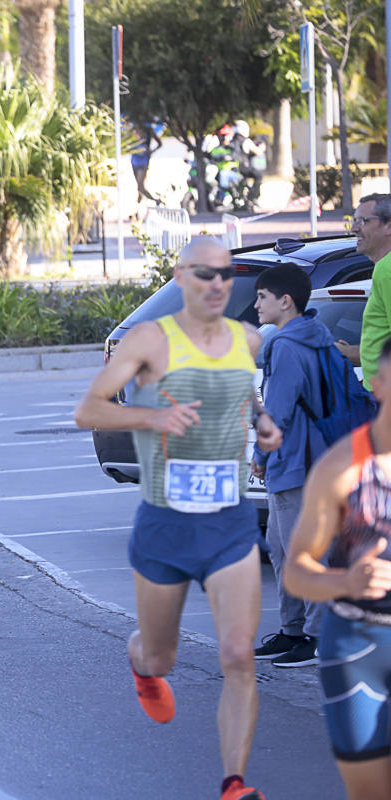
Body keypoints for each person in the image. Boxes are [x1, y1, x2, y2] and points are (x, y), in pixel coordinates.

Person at [73, 237, 282, 800]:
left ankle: (234, 783)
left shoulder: (248, 339)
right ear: (180, 276)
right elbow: (89, 409)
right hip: (166, 527)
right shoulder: (149, 339)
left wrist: (262, 426)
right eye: (204, 274)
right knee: (162, 653)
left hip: (229, 524)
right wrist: (156, 416)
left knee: (239, 655)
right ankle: (141, 662)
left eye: (226, 276)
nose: (217, 285)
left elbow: (249, 402)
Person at [284, 338, 391, 800]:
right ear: (379, 384)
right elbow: (296, 571)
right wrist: (346, 581)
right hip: (359, 645)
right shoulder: (342, 467)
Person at [250, 265, 330, 668]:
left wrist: (260, 458)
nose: (255, 304)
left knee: (298, 553)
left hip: (294, 461)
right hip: (310, 459)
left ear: (285, 301)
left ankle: (315, 638)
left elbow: (277, 413)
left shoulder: (286, 345)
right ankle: (293, 630)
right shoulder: (317, 335)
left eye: (262, 296)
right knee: (282, 549)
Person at [337, 195, 391, 382]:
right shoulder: (383, 268)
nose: (354, 229)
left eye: (363, 221)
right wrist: (348, 352)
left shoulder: (387, 269)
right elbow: (382, 343)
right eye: (354, 221)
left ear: (389, 226)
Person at [131, 124, 160, 205]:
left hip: (143, 161)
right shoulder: (133, 129)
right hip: (134, 161)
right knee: (139, 186)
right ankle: (141, 199)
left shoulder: (148, 130)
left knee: (140, 186)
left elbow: (159, 143)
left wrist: (151, 151)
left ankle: (155, 200)